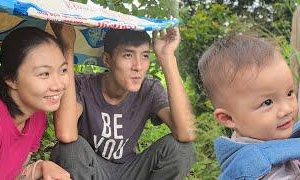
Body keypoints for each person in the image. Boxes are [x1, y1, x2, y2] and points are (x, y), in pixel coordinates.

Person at [50, 24, 196, 179]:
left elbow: (186, 133)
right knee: (70, 149)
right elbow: (66, 134)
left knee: (181, 149)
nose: (138, 66)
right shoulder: (83, 85)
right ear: (107, 60)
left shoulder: (149, 90)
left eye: (145, 55)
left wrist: (167, 57)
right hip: (91, 170)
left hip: (130, 171)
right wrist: (68, 48)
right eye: (128, 55)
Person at [198, 34, 300, 179]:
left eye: (290, 93)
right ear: (228, 118)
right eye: (267, 102)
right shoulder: (263, 170)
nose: (287, 109)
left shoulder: (263, 136)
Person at [0, 26, 72, 179]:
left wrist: (41, 166)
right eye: (44, 74)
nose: (58, 85)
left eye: (63, 70)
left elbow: (9, 173)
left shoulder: (37, 118)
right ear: (10, 79)